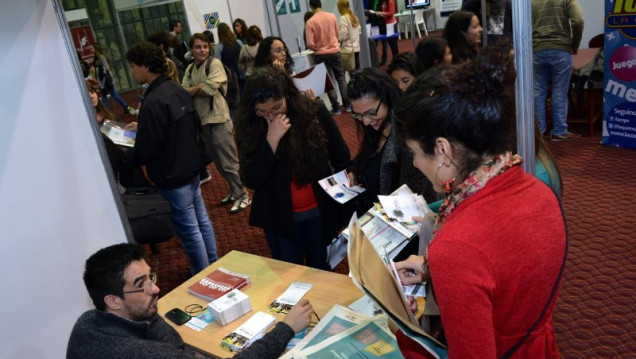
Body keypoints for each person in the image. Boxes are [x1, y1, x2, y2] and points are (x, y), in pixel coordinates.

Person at [392, 46, 567, 358]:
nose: (416, 164)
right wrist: (437, 271)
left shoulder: (457, 245)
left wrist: (405, 333)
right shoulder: (538, 190)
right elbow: (506, 274)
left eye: (415, 153)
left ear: (443, 150)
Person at [67, 243, 314, 359]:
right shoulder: (140, 353)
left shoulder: (88, 321)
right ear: (113, 300)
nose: (156, 288)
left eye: (151, 277)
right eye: (141, 285)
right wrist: (286, 328)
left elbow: (157, 326)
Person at [236, 66, 351, 270]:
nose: (271, 116)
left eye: (276, 108)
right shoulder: (250, 124)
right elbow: (251, 178)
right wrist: (271, 140)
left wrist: (342, 198)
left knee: (322, 270)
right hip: (280, 217)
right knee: (290, 275)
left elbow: (340, 154)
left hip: (318, 209)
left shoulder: (312, 110)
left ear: (287, 96)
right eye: (262, 111)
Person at [126, 42, 218, 275]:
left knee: (189, 230)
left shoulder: (154, 99)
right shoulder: (175, 89)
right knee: (201, 221)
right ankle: (212, 264)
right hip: (190, 167)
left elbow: (150, 145)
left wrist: (132, 156)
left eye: (134, 66)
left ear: (146, 66)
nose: (132, 71)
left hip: (173, 174)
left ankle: (202, 273)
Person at [347, 68, 438, 214]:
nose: (365, 121)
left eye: (371, 113)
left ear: (387, 98)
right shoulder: (376, 129)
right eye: (358, 115)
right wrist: (356, 172)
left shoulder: (409, 137)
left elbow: (410, 197)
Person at [182, 33, 251, 214]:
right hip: (203, 121)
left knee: (229, 161)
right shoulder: (190, 69)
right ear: (191, 49)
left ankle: (243, 194)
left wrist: (195, 89)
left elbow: (210, 90)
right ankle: (234, 191)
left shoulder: (215, 64)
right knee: (219, 162)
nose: (202, 50)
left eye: (205, 46)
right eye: (198, 47)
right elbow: (183, 92)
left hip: (219, 118)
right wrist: (199, 88)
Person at [532, 0, 584, 141]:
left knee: (538, 93)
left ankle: (539, 132)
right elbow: (578, 20)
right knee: (559, 92)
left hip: (537, 51)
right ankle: (559, 131)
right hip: (560, 49)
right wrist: (574, 44)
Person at [306, 0, 351, 115]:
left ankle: (336, 108)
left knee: (328, 81)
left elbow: (310, 43)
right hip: (335, 51)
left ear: (311, 7)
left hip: (320, 54)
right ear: (322, 5)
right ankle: (347, 105)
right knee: (341, 79)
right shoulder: (332, 16)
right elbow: (336, 34)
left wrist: (318, 46)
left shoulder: (310, 22)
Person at [93, 43, 135, 116]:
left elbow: (107, 68)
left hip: (105, 80)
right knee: (110, 96)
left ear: (96, 48)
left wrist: (106, 79)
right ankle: (126, 108)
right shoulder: (96, 57)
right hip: (102, 80)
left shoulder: (101, 57)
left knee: (105, 97)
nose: (91, 49)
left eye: (92, 48)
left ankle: (108, 113)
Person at [215, 23, 245, 88]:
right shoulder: (239, 42)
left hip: (230, 76)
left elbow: (218, 64)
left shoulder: (219, 47)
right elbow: (244, 56)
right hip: (242, 71)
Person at [337, 0, 361, 71]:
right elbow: (359, 31)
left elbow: (344, 35)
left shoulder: (343, 18)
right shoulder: (355, 17)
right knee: (357, 71)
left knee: (350, 72)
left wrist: (338, 39)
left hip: (348, 51)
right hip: (356, 48)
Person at [373, 0, 398, 66]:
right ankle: (395, 61)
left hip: (391, 24)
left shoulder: (390, 1)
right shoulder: (384, 1)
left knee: (393, 45)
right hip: (386, 24)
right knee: (389, 43)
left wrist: (381, 13)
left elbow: (391, 13)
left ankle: (397, 61)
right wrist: (380, 14)